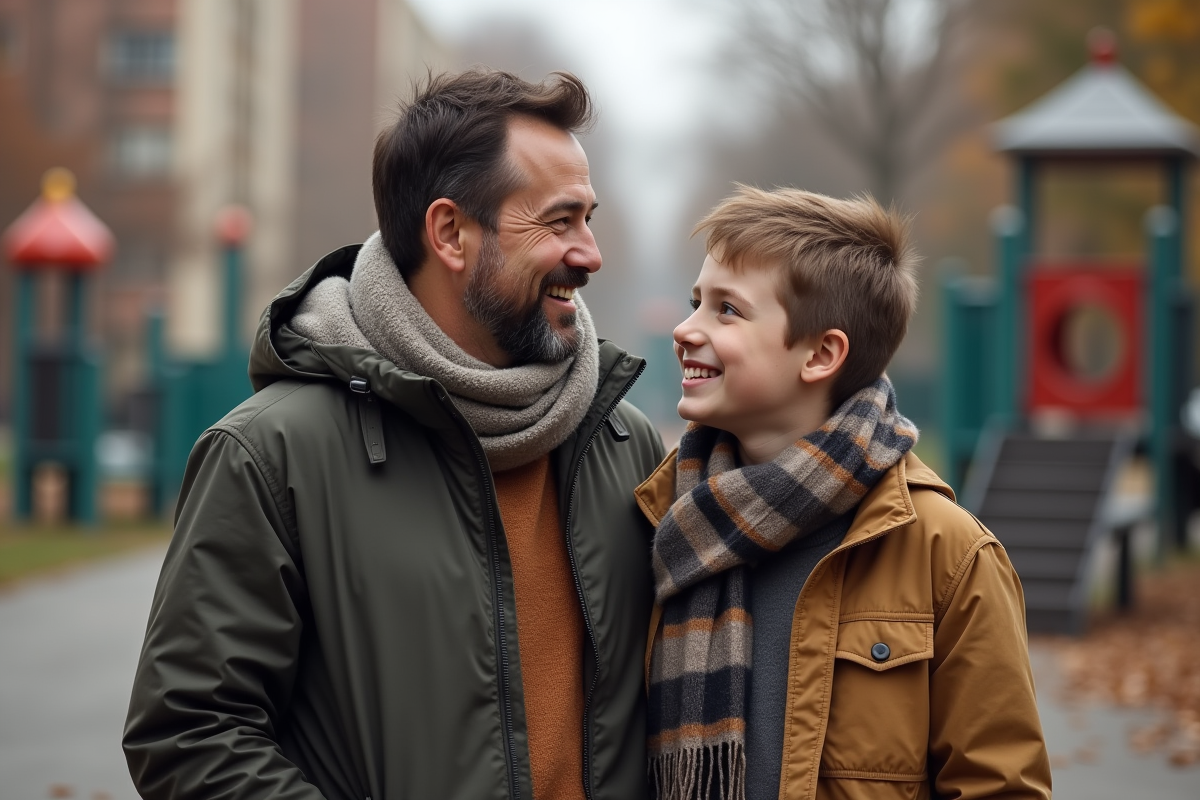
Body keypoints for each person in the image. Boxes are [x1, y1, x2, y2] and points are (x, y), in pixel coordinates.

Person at [123, 70, 665, 800]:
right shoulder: (270, 456)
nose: (590, 253)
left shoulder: (627, 446)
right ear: (450, 234)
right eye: (559, 221)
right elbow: (191, 734)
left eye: (588, 219)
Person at [637, 186, 1052, 800]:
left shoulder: (948, 555)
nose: (684, 328)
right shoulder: (658, 521)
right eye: (696, 302)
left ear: (821, 354)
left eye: (727, 310)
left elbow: (998, 785)